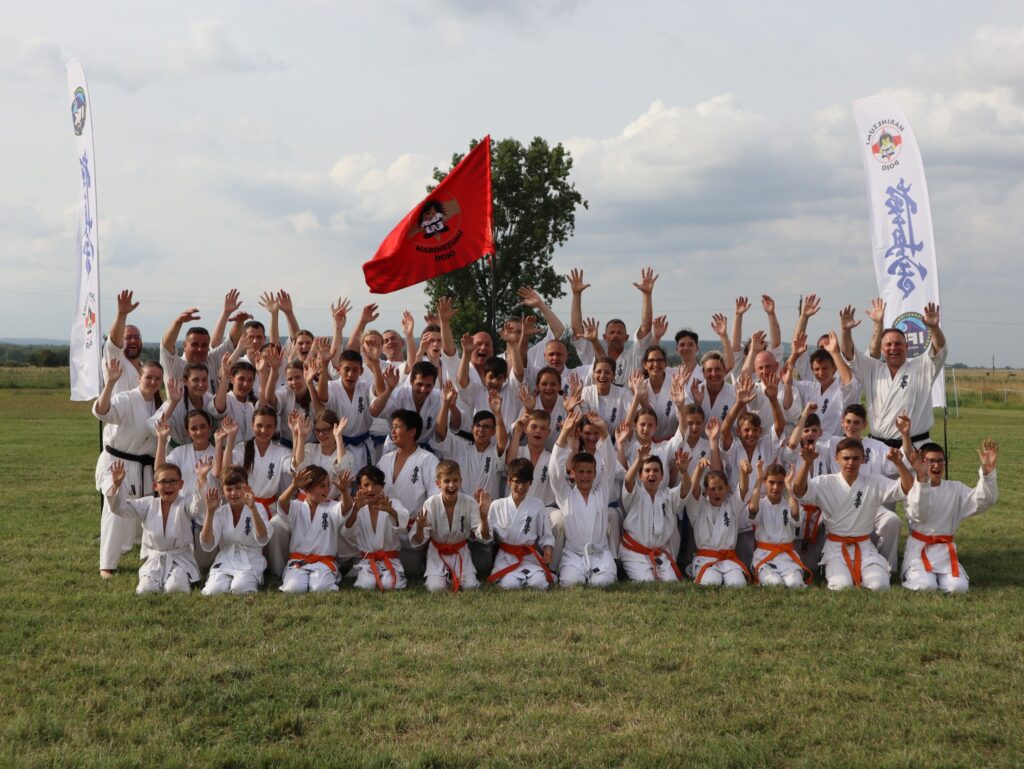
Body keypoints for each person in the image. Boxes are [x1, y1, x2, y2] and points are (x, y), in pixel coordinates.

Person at [794, 438, 914, 591]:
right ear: (837, 458)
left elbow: (908, 489)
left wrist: (899, 464)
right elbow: (799, 492)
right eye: (846, 458)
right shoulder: (825, 483)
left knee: (880, 585)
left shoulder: (874, 482)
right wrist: (807, 463)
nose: (851, 462)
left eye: (856, 458)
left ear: (863, 460)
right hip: (836, 548)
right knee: (841, 586)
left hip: (864, 547)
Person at [899, 424, 999, 593]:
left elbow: (985, 500)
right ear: (921, 463)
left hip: (944, 551)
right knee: (926, 586)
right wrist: (922, 480)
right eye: (931, 461)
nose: (936, 465)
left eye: (940, 460)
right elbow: (919, 514)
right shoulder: (912, 488)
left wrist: (988, 472)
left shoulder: (955, 489)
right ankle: (913, 574)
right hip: (919, 550)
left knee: (958, 588)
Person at [839, 300, 946, 446]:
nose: (893, 348)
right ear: (882, 349)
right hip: (880, 447)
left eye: (898, 344)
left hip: (915, 446)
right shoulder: (872, 368)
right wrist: (846, 331)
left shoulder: (922, 367)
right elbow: (849, 354)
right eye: (888, 344)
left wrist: (934, 328)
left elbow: (939, 348)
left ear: (906, 347)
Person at [92, 358, 163, 578]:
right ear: (139, 378)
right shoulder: (126, 398)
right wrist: (110, 383)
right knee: (114, 507)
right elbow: (102, 412)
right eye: (148, 377)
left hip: (144, 467)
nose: (153, 382)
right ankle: (107, 564)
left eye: (157, 379)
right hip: (117, 462)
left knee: (147, 511)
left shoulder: (159, 404)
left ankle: (150, 556)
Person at [105, 460, 203, 594]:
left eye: (173, 481)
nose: (168, 485)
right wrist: (116, 485)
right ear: (155, 486)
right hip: (155, 559)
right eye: (163, 482)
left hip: (180, 559)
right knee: (145, 590)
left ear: (181, 484)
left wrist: (202, 479)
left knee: (174, 588)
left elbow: (197, 508)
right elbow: (120, 509)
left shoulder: (185, 504)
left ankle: (182, 578)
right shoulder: (148, 505)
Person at [217, 407, 294, 577]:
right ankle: (242, 566)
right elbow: (226, 471)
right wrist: (230, 437)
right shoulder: (242, 448)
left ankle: (276, 570)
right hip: (244, 504)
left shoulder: (281, 451)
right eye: (259, 426)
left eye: (268, 426)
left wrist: (298, 435)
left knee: (277, 525)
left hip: (269, 505)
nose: (263, 430)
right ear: (252, 425)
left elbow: (294, 468)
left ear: (275, 428)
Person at [548, 409, 618, 587]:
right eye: (580, 472)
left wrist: (604, 430)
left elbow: (610, 464)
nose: (585, 476)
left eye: (589, 472)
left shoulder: (602, 492)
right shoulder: (566, 495)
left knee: (602, 582)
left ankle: (602, 572)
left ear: (595, 473)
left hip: (599, 553)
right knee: (571, 582)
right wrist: (564, 433)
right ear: (573, 473)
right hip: (573, 554)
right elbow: (554, 471)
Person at [377, 410, 441, 579]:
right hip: (386, 532)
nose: (392, 431)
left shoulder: (428, 459)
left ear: (412, 431)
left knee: (411, 570)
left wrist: (422, 529)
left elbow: (435, 499)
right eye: (392, 427)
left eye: (397, 427)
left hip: (412, 531)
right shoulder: (385, 460)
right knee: (384, 569)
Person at [411, 461, 491, 592]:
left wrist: (483, 518)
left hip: (460, 552)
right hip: (437, 553)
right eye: (447, 481)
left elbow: (484, 536)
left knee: (471, 587)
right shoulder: (431, 503)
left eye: (455, 480)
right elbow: (419, 540)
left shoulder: (469, 502)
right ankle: (442, 577)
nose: (451, 485)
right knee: (436, 588)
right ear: (438, 483)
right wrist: (419, 528)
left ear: (461, 482)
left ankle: (455, 577)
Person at [619, 448, 691, 582]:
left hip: (658, 554)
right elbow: (628, 481)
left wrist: (684, 472)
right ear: (640, 476)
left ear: (662, 476)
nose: (651, 473)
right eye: (647, 470)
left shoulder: (667, 496)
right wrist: (638, 461)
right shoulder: (635, 494)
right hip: (634, 553)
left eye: (656, 470)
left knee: (670, 581)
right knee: (647, 581)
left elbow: (685, 489)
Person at [199, 465, 271, 595]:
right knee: (214, 591)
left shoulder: (258, 507)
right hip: (226, 557)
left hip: (250, 557)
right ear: (223, 491)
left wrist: (252, 508)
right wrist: (210, 512)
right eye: (229, 489)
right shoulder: (220, 512)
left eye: (238, 487)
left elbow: (262, 538)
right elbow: (207, 543)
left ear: (246, 486)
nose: (234, 493)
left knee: (240, 588)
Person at [485, 458, 556, 589]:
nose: (521, 487)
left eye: (525, 482)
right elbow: (486, 536)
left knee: (539, 583)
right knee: (510, 585)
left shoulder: (537, 505)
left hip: (529, 558)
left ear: (530, 483)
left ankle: (529, 578)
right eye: (517, 482)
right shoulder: (497, 506)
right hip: (506, 558)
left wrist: (548, 548)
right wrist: (483, 516)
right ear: (508, 481)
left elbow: (546, 533)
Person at [343, 465, 410, 591]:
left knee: (389, 584)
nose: (371, 489)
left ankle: (395, 576)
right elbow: (347, 532)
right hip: (368, 561)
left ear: (382, 486)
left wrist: (391, 511)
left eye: (375, 484)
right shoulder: (357, 506)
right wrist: (355, 510)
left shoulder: (392, 503)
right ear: (359, 488)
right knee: (366, 585)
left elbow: (402, 525)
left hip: (390, 559)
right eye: (366, 485)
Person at [687, 458, 751, 587]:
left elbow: (743, 489)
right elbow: (693, 488)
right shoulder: (698, 507)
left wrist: (743, 470)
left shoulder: (732, 505)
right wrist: (699, 468)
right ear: (706, 490)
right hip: (705, 559)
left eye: (720, 488)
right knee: (711, 582)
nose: (717, 492)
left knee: (738, 584)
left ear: (727, 488)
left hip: (728, 559)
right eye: (712, 488)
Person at [746, 461, 810, 588]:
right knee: (774, 583)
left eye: (780, 483)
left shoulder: (789, 504)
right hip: (764, 555)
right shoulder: (761, 504)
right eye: (771, 482)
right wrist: (759, 480)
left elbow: (796, 514)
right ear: (765, 482)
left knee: (795, 583)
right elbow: (752, 508)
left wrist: (789, 487)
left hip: (786, 555)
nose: (776, 487)